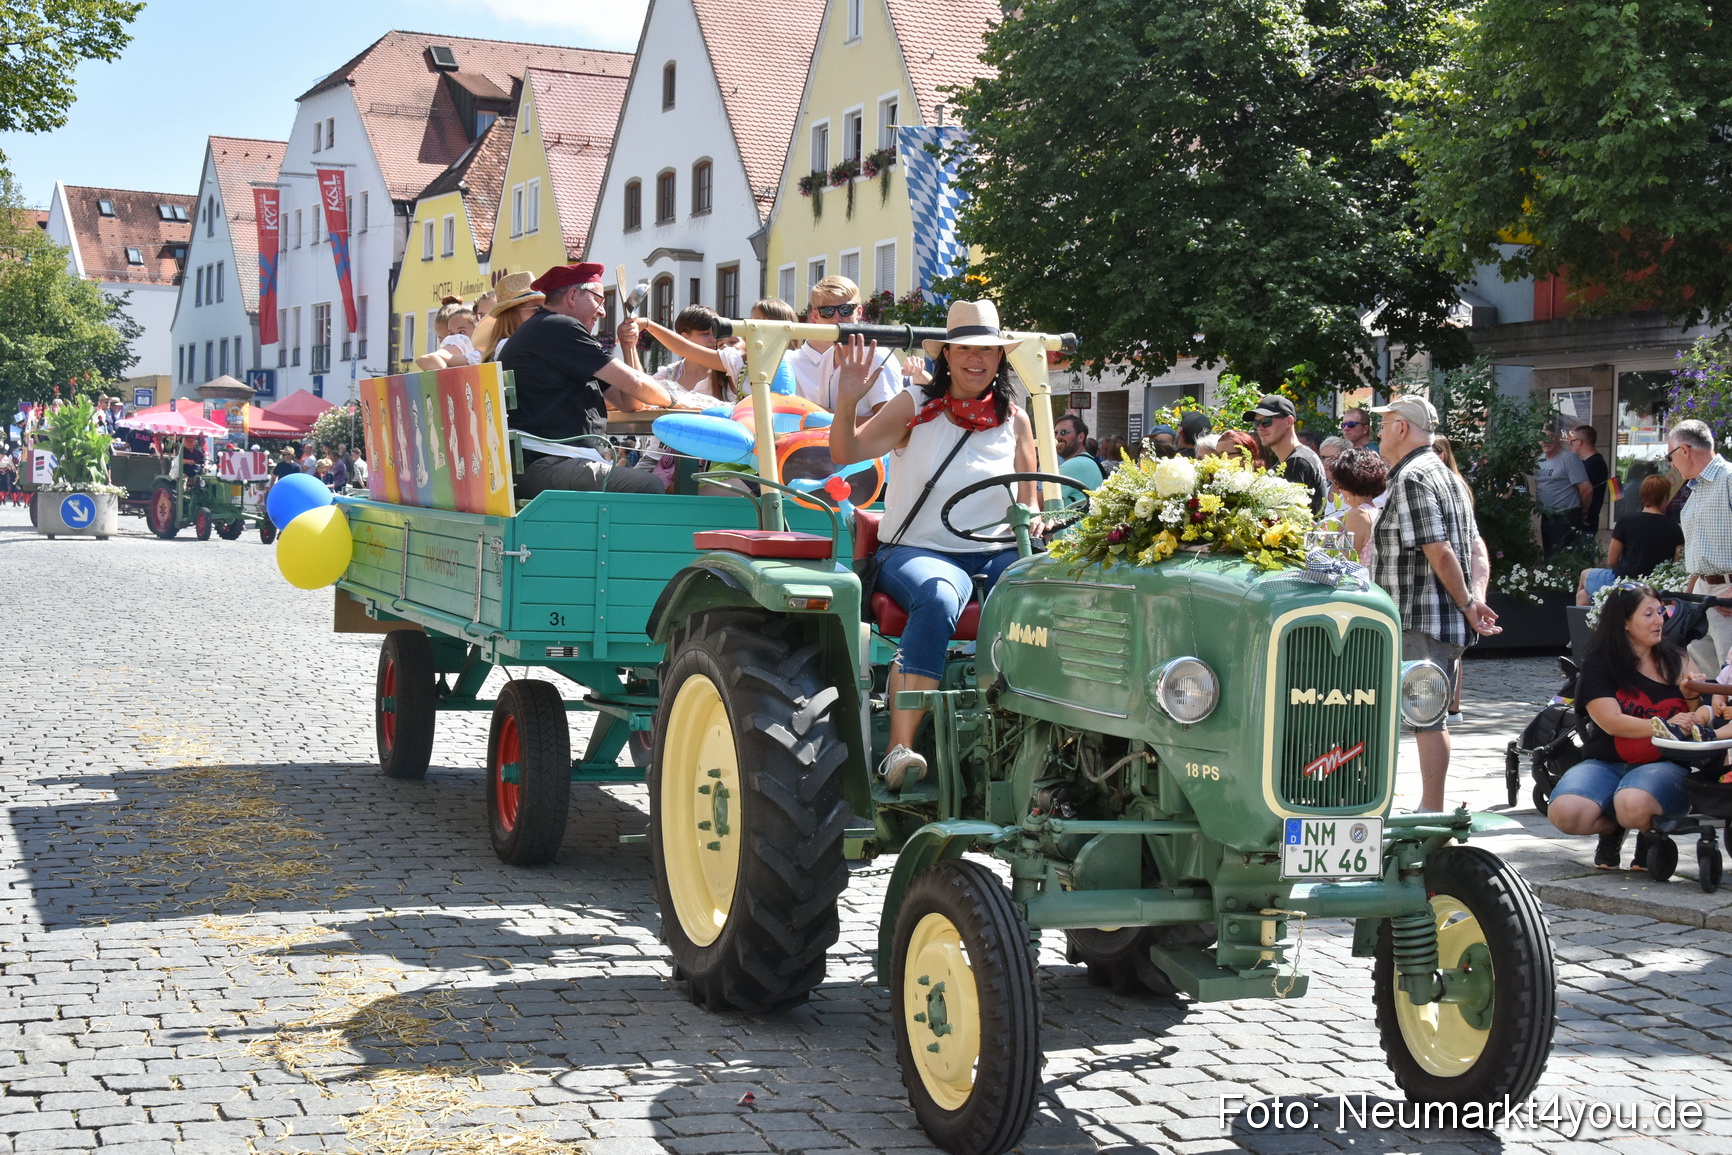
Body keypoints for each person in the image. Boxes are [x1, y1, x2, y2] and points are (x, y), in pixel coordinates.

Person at [829, 301, 1041, 790]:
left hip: (997, 551)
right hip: (917, 550)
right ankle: (899, 749)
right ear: (946, 354)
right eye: (964, 347)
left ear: (999, 358)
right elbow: (847, 453)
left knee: (1048, 586)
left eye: (986, 349)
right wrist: (848, 400)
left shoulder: (1016, 419)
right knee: (942, 594)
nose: (976, 358)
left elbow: (1029, 505)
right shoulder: (916, 405)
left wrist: (1040, 525)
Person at [1369, 395, 1499, 812]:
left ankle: (1430, 807)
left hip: (1418, 616)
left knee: (1426, 716)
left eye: (1384, 423)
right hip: (1435, 617)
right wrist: (1474, 601)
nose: (1379, 431)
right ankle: (1423, 804)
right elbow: (1476, 548)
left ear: (1403, 428)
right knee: (1429, 713)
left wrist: (1468, 604)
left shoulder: (1412, 477)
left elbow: (1439, 549)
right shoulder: (1446, 475)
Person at [1547, 582, 1713, 869]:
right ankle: (1611, 829)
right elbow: (1611, 722)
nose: (1659, 620)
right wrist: (1663, 724)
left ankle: (1649, 834)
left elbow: (1703, 716)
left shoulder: (1678, 659)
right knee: (1565, 813)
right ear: (1624, 622)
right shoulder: (1600, 662)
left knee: (1632, 803)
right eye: (1648, 614)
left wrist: (1693, 700)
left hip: (1664, 763)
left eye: (1660, 612)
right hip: (1606, 761)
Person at [499, 262, 671, 496]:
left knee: (643, 482)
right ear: (572, 296)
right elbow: (638, 385)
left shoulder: (547, 329)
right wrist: (674, 399)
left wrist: (630, 347)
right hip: (549, 462)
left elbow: (630, 401)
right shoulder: (560, 327)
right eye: (599, 300)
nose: (603, 311)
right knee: (649, 486)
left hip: (541, 464)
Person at [1668, 418, 1732, 675]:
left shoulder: (1728, 479)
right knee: (1701, 678)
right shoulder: (1696, 488)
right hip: (1702, 593)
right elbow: (1700, 548)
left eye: (1669, 455)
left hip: (1727, 591)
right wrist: (1688, 599)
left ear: (1684, 450)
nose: (1670, 464)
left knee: (1728, 678)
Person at [788, 275, 899, 417]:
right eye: (827, 311)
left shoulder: (877, 356)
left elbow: (890, 427)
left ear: (859, 312)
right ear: (815, 317)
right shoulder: (827, 358)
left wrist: (826, 416)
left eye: (845, 309)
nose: (837, 318)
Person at [1575, 474, 1686, 604]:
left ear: (1642, 496)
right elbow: (1676, 565)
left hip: (1624, 581)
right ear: (1665, 498)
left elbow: (1611, 560)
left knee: (1584, 578)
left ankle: (1589, 621)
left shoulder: (1626, 521)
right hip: (1655, 587)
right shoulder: (1675, 528)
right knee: (1583, 593)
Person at [1245, 395, 1325, 516]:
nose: (1260, 428)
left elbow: (1289, 521)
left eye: (1266, 421)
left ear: (1289, 421)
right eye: (1256, 423)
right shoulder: (1284, 464)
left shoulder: (1298, 461)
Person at [1329, 447, 1387, 573]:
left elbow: (1344, 563)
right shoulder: (1374, 511)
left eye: (1338, 482)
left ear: (1348, 483)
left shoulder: (1358, 515)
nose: (1338, 488)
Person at [1536, 424, 1591, 556]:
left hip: (1566, 518)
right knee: (1549, 558)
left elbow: (1586, 489)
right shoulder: (1539, 460)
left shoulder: (1569, 458)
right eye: (1541, 438)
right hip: (1547, 518)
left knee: (1562, 561)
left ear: (1559, 438)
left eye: (1550, 437)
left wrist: (1582, 513)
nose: (1545, 441)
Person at [473, 273, 544, 362]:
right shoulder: (508, 347)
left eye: (546, 307)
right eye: (538, 309)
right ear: (512, 316)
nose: (545, 314)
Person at [1571, 424, 1609, 534]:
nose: (1571, 446)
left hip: (1587, 520)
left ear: (1580, 442)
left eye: (1572, 442)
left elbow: (1586, 491)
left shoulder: (1594, 463)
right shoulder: (1589, 462)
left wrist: (1583, 513)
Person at [416, 305, 480, 370]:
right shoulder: (458, 344)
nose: (455, 338)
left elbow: (426, 360)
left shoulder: (465, 343)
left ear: (478, 330)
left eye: (462, 332)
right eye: (451, 334)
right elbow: (427, 360)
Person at [1054, 413, 1104, 489]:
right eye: (1055, 433)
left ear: (1080, 437)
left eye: (1064, 432)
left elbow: (1040, 500)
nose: (1057, 437)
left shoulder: (1074, 465)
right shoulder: (1087, 461)